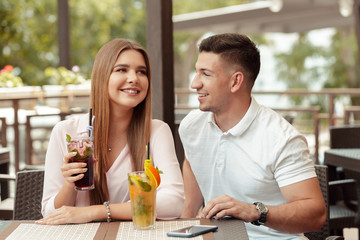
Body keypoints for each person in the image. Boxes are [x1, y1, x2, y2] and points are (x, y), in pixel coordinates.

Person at [178, 33, 326, 239]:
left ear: (235, 81)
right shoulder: (191, 126)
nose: (194, 83)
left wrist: (255, 211)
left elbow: (315, 215)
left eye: (205, 74)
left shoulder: (282, 138)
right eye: (197, 72)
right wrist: (185, 223)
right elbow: (192, 161)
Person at [38, 38, 184, 224]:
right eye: (122, 69)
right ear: (102, 76)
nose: (134, 78)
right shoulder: (67, 132)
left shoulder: (156, 131)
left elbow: (174, 202)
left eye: (142, 72)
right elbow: (50, 213)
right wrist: (70, 182)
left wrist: (98, 211)